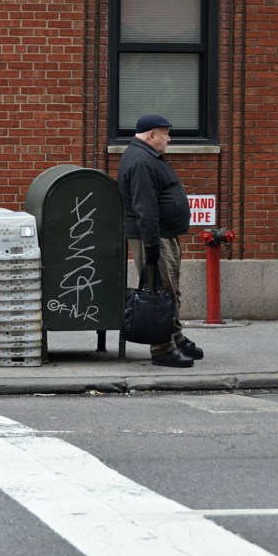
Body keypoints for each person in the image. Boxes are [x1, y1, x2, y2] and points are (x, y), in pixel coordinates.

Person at [116, 114, 204, 368]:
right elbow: (146, 207)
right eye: (166, 133)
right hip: (153, 237)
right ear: (152, 135)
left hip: (162, 234)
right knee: (160, 292)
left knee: (169, 291)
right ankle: (163, 349)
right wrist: (152, 244)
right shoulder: (142, 161)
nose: (169, 138)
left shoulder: (146, 157)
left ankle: (174, 338)